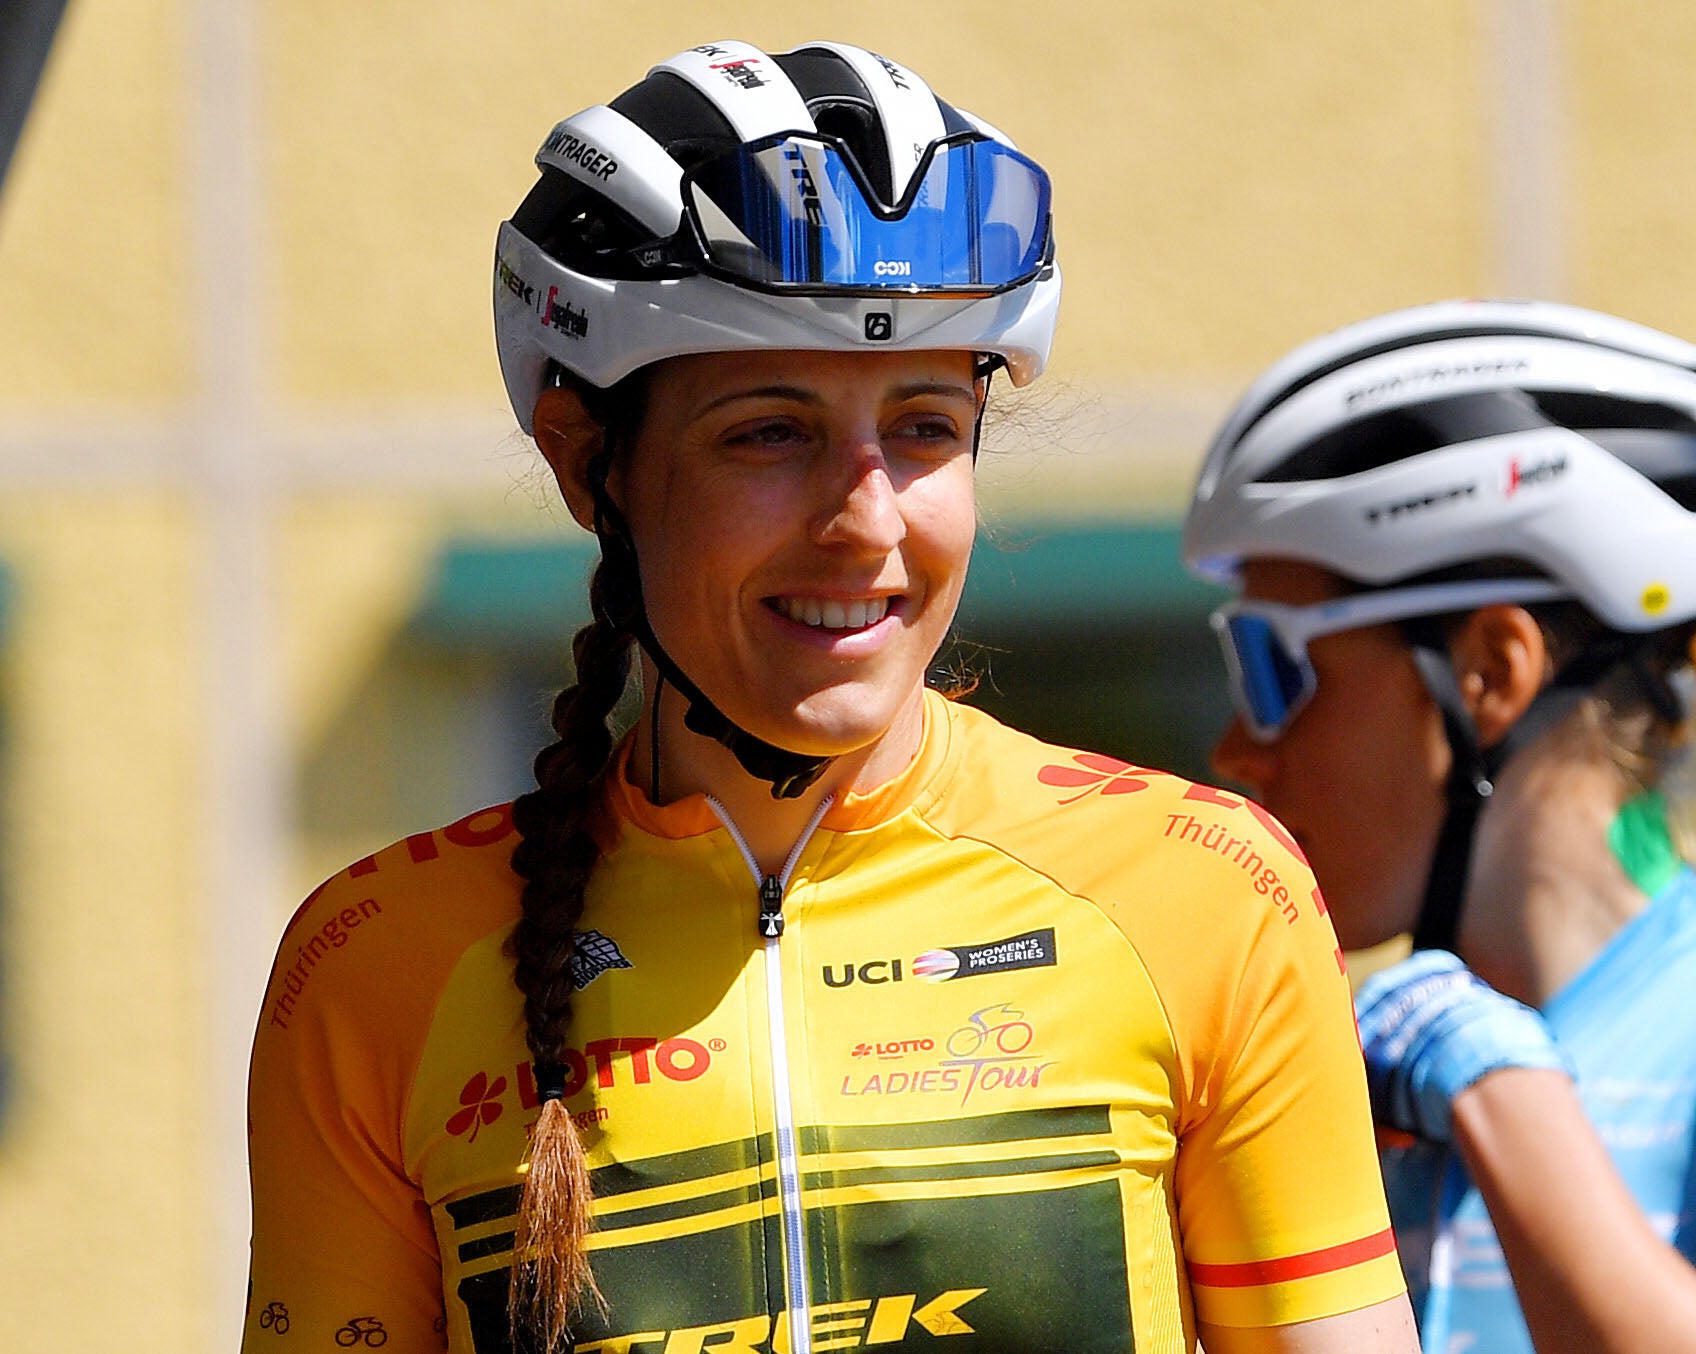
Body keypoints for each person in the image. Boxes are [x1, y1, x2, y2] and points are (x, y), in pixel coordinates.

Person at [242, 40, 1418, 1354]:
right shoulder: (376, 965)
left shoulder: (1202, 888)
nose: (865, 522)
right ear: (589, 469)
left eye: (921, 426)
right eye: (768, 432)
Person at [1181, 298, 1696, 1354]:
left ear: (1488, 672)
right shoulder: (1343, 1062)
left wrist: (1489, 1081)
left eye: (1274, 670)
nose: (1236, 746)